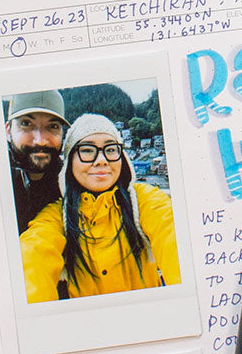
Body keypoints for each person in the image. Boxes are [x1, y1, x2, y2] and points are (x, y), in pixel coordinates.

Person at [20, 113, 180, 303]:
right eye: (87, 151)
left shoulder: (145, 200)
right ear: (70, 161)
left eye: (110, 149)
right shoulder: (56, 217)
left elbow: (173, 235)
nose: (102, 160)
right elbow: (32, 259)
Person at [6, 90, 67, 233]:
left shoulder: (70, 183)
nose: (40, 140)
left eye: (53, 126)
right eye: (26, 123)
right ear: (8, 131)